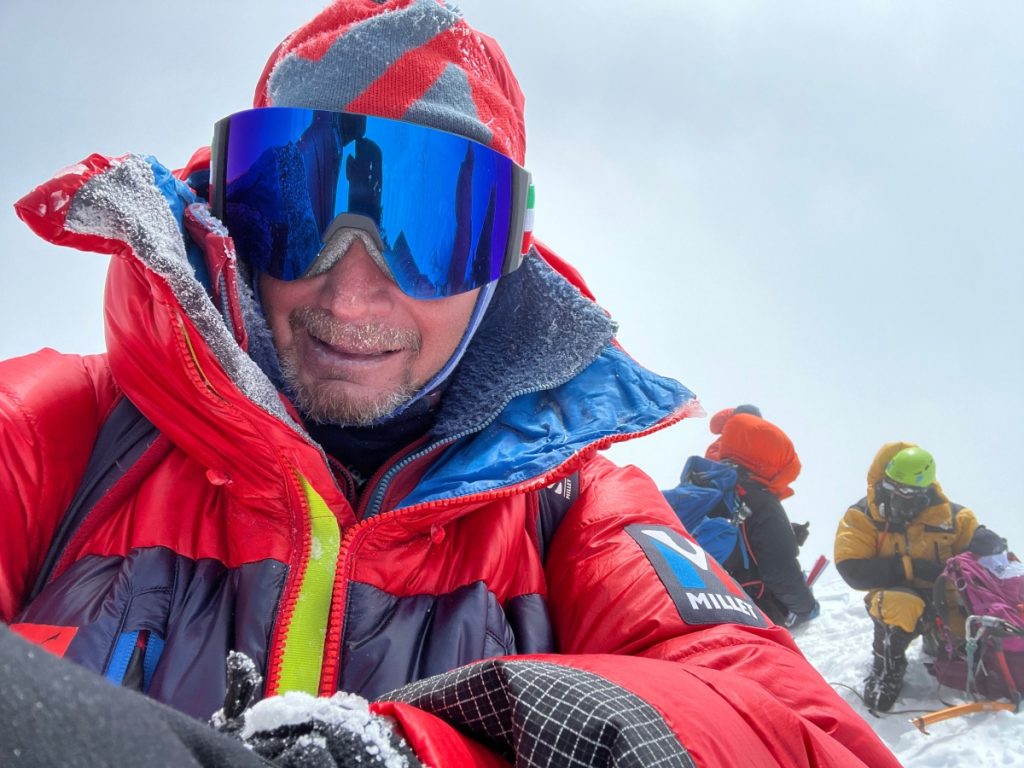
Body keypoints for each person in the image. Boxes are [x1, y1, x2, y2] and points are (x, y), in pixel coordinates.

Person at [1, 2, 899, 765]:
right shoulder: (64, 437)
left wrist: (452, 742)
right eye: (297, 207)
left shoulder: (571, 513)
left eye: (433, 233)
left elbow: (805, 733)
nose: (351, 292)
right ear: (230, 223)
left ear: (500, 268)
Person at [835, 442, 984, 712]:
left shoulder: (955, 518)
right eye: (891, 488)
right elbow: (852, 569)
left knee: (971, 660)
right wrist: (908, 567)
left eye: (908, 492)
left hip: (945, 602)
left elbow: (985, 566)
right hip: (896, 602)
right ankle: (886, 671)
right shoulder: (863, 516)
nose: (898, 498)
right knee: (898, 603)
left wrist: (988, 546)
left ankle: (940, 641)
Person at [710, 412, 820, 628]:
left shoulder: (708, 485)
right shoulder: (761, 500)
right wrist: (807, 609)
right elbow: (780, 573)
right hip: (747, 613)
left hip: (697, 603)